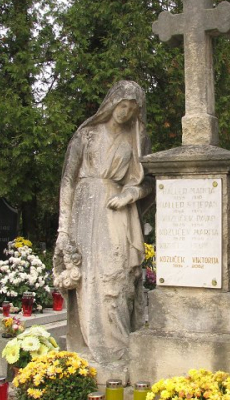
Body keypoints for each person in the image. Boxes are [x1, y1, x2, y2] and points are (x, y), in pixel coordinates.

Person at [53, 81, 153, 365]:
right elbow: (68, 181)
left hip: (117, 211)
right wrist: (63, 229)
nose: (125, 112)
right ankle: (91, 345)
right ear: (112, 103)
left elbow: (149, 182)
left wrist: (130, 194)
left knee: (118, 276)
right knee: (88, 277)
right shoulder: (87, 134)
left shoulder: (136, 138)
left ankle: (119, 348)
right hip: (85, 211)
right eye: (123, 105)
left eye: (132, 108)